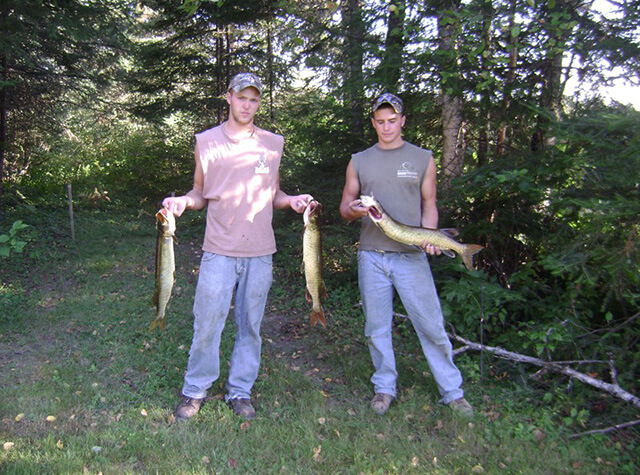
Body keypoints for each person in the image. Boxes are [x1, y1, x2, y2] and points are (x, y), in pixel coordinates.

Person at [163, 72, 312, 421]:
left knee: (251, 326)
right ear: (228, 97)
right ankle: (195, 389)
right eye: (241, 97)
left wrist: (292, 201)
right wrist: (183, 202)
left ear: (260, 102)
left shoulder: (272, 143)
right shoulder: (207, 141)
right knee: (207, 322)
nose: (247, 105)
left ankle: (240, 391)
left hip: (261, 252)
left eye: (254, 99)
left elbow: (274, 193)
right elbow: (200, 193)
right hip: (218, 249)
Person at [339, 93, 473, 417]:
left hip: (411, 256)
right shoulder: (358, 160)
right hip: (371, 255)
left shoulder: (423, 158)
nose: (386, 126)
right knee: (376, 327)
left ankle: (452, 392)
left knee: (431, 325)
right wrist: (357, 211)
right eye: (380, 121)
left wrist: (430, 238)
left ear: (402, 121)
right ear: (373, 123)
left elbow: (429, 205)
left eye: (392, 120)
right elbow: (345, 208)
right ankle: (384, 387)